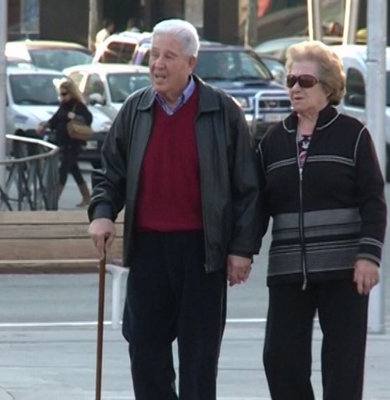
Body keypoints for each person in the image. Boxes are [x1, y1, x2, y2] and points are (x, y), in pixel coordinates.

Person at [88, 18, 261, 400]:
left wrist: (241, 249)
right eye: (154, 55)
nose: (158, 64)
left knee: (199, 360)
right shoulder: (135, 109)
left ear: (191, 63)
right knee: (145, 353)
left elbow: (248, 188)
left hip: (202, 252)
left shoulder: (222, 111)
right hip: (148, 250)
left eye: (169, 56)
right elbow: (110, 173)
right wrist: (102, 213)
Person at [257, 40, 387, 400]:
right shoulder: (273, 140)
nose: (295, 88)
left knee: (343, 366)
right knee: (280, 360)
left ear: (328, 87)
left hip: (344, 270)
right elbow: (257, 205)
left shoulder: (353, 134)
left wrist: (369, 256)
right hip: (288, 271)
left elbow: (373, 200)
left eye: (306, 81)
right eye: (290, 80)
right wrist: (240, 251)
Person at [38, 80, 92, 207]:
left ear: (71, 93)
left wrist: (75, 117)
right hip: (64, 142)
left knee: (63, 170)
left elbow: (88, 119)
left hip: (74, 143)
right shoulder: (63, 106)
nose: (62, 96)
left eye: (64, 94)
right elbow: (55, 120)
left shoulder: (78, 106)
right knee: (74, 170)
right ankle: (87, 197)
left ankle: (54, 199)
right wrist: (45, 125)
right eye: (60, 94)